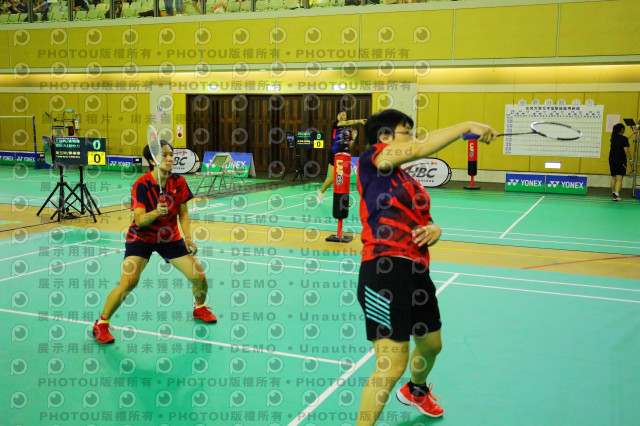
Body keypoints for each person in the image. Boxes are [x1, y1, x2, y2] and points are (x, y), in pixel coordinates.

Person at [355, 109, 496, 424]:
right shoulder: (373, 160)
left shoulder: (408, 182)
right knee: (391, 366)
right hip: (382, 271)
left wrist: (435, 229)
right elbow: (418, 148)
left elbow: (425, 220)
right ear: (384, 136)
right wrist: (464, 125)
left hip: (417, 272)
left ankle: (416, 391)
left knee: (432, 345)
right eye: (407, 132)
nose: (413, 137)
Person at [93, 140, 217, 344]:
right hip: (141, 237)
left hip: (170, 238)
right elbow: (140, 220)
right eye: (165, 155)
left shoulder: (179, 182)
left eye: (172, 154)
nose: (170, 158)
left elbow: (184, 214)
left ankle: (200, 308)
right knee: (129, 282)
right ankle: (101, 324)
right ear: (152, 160)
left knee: (199, 277)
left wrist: (187, 237)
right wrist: (156, 212)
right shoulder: (141, 185)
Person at [317, 110, 367, 202]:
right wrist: (360, 121)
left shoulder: (348, 130)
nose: (341, 116)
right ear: (337, 117)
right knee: (332, 178)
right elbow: (347, 123)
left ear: (346, 117)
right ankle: (321, 191)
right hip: (334, 154)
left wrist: (354, 138)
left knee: (343, 179)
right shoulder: (336, 124)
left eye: (343, 115)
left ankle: (343, 201)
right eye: (339, 114)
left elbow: (350, 146)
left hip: (344, 156)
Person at [609, 123, 632, 201]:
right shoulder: (623, 139)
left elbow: (624, 138)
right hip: (620, 160)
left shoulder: (613, 138)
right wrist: (631, 159)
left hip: (612, 159)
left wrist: (633, 132)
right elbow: (627, 151)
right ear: (622, 130)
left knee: (613, 177)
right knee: (619, 178)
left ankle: (614, 194)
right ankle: (616, 195)